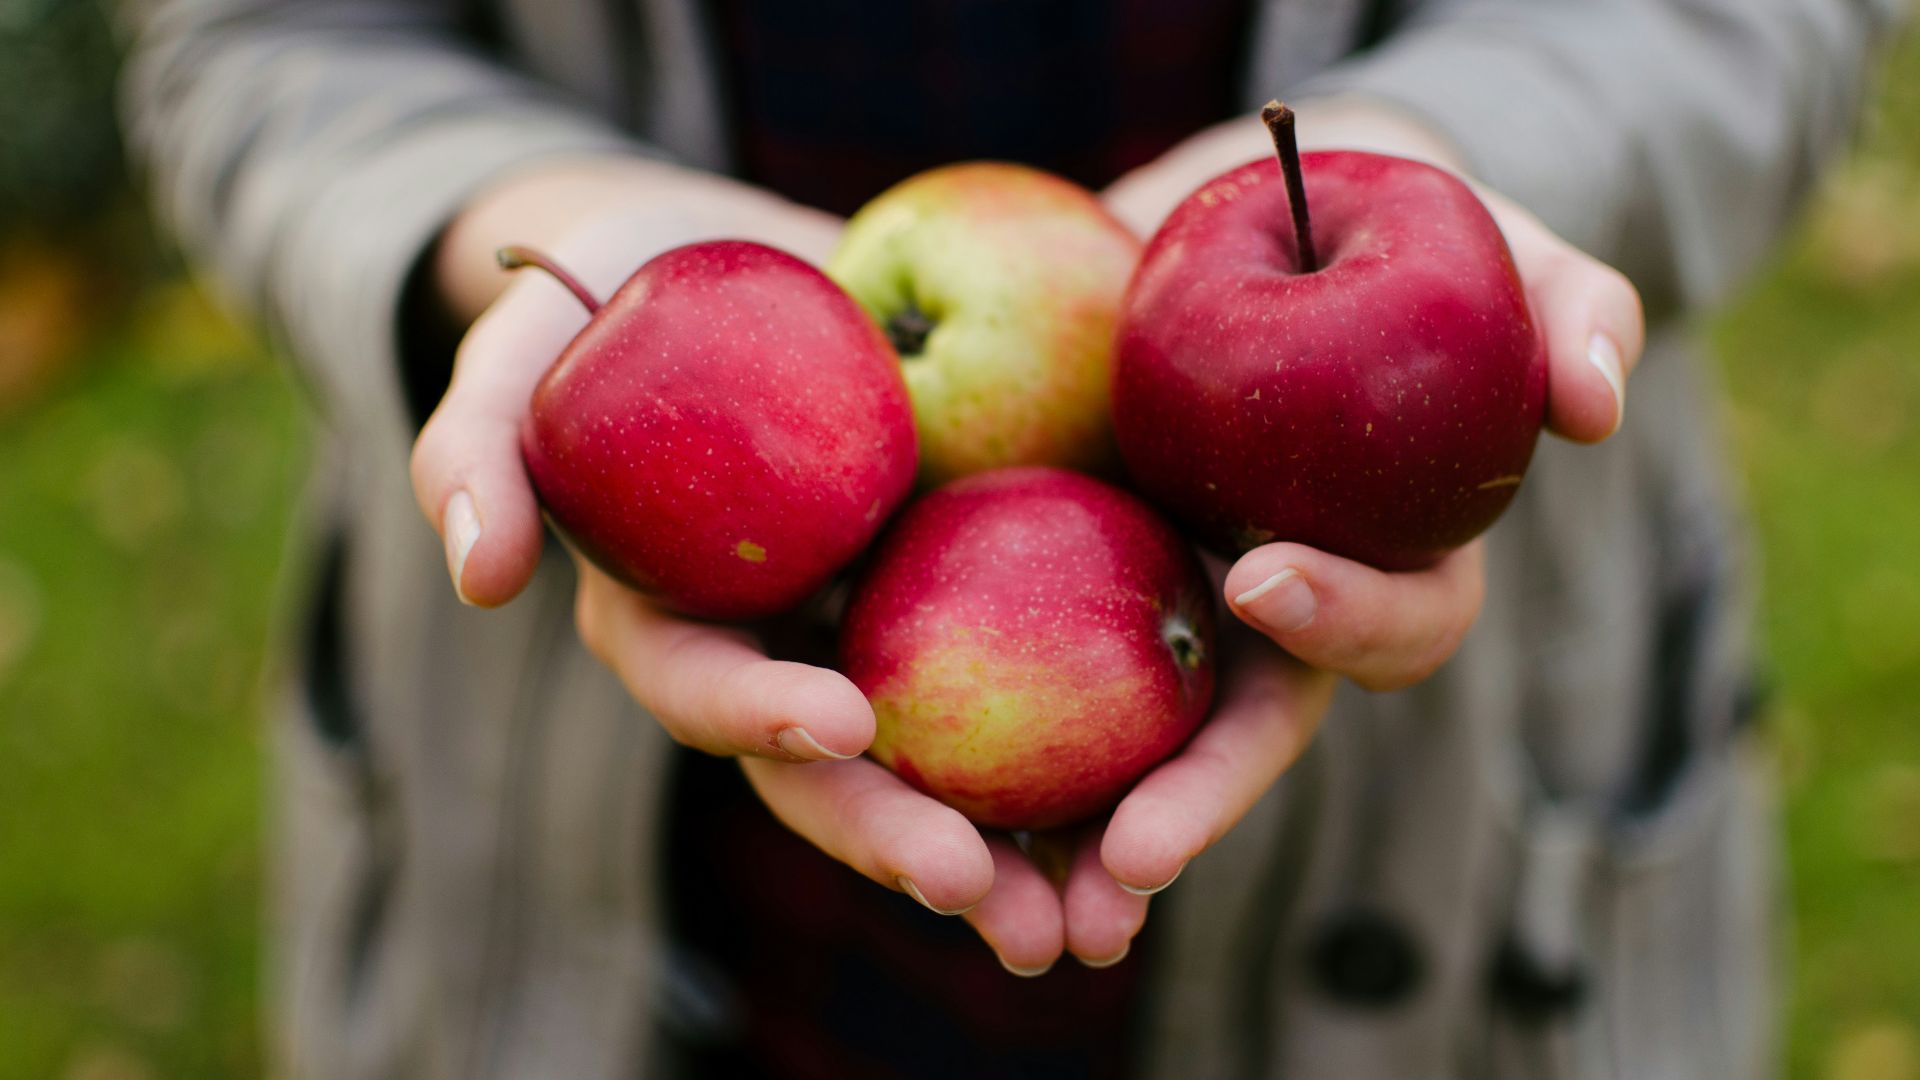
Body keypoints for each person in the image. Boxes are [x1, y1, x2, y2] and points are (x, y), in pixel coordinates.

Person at [120, 0, 1897, 1076]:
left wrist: (1452, 147)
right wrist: (507, 221)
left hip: (1453, 838)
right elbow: (261, 36)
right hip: (597, 859)